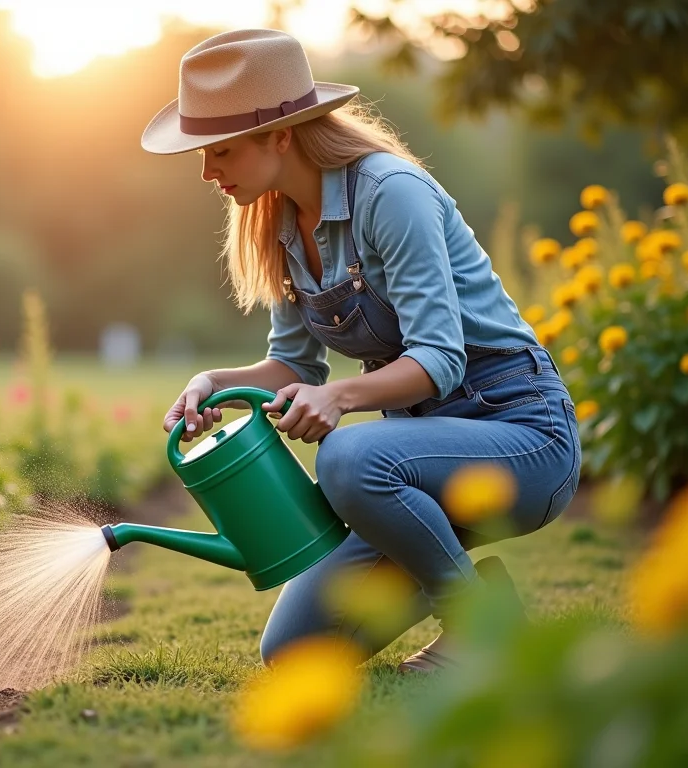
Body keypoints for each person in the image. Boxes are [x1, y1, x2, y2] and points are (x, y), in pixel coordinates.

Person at [145, 29, 581, 673]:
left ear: (281, 135)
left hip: (520, 436)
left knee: (346, 456)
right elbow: (294, 365)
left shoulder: (390, 193)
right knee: (295, 656)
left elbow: (441, 359)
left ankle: (477, 630)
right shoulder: (279, 223)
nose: (208, 172)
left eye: (221, 151)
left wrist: (340, 397)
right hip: (415, 463)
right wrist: (214, 379)